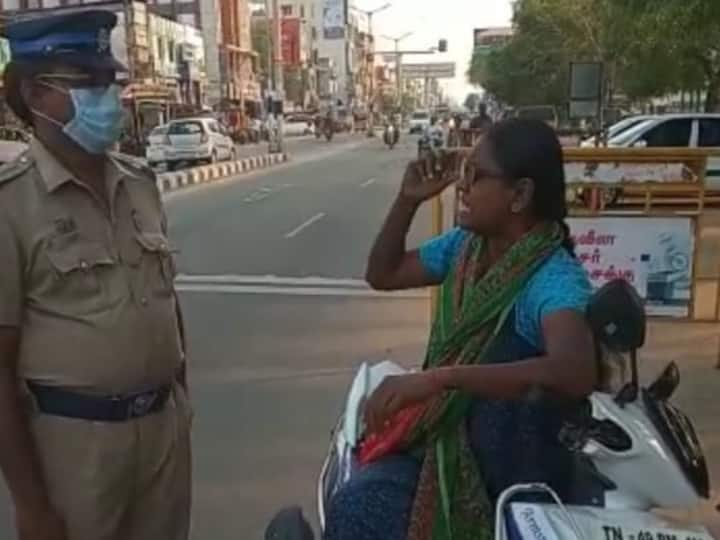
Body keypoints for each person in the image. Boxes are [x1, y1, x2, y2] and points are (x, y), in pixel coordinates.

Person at [324, 118, 597, 540]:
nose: (462, 187)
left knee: (360, 509)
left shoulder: (551, 278)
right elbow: (384, 272)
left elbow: (574, 372)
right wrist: (406, 201)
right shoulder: (465, 248)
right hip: (444, 437)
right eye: (463, 173)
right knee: (355, 495)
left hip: (504, 469)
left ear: (520, 195)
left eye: (476, 175)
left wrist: (439, 380)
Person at [0, 11, 191, 540]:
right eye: (88, 84)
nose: (108, 98)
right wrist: (32, 505)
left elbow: (166, 302)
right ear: (37, 95)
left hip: (163, 437)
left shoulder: (141, 183)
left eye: (111, 82)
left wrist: (181, 403)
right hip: (76, 448)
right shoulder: (10, 204)